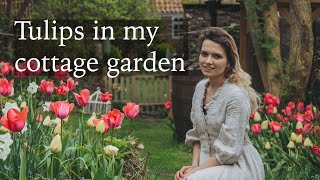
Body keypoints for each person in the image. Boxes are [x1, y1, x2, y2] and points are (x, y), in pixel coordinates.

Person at [175, 27, 265, 180]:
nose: (208, 61)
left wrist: (196, 172)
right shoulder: (200, 88)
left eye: (217, 56)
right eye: (204, 54)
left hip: (238, 165)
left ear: (229, 62)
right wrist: (194, 166)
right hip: (209, 163)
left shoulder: (236, 95)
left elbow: (230, 151)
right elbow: (197, 134)